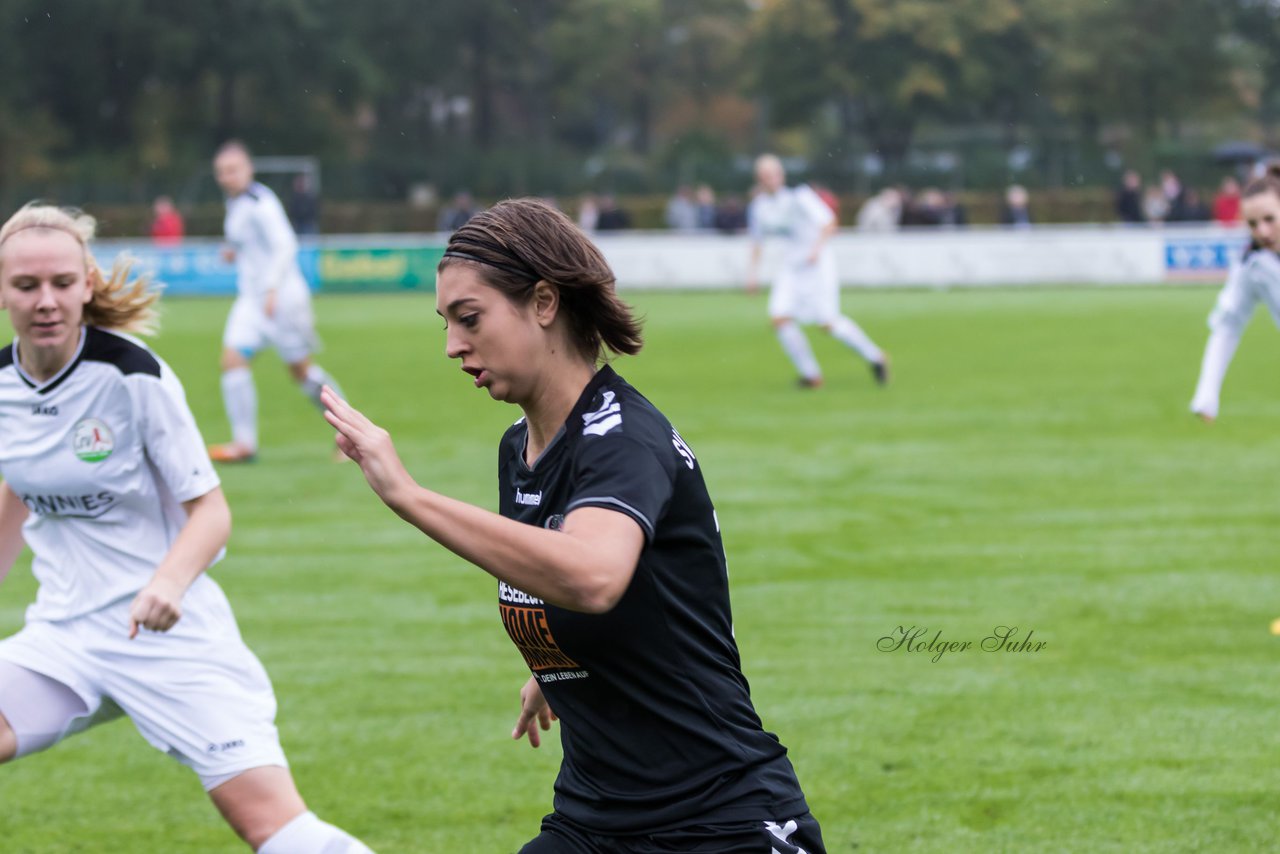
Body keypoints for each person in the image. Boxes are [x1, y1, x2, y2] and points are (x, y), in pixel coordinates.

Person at [321, 198, 825, 853]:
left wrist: (409, 495)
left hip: (719, 821)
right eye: (445, 323)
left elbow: (591, 577)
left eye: (469, 319)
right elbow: (570, 584)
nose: (452, 346)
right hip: (595, 822)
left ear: (544, 302)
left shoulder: (622, 440)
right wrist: (560, 665)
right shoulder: (519, 448)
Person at [0, 203, 372, 853]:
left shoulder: (132, 375)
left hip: (170, 636)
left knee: (280, 832)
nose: (46, 301)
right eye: (26, 286)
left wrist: (168, 584)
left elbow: (212, 511)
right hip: (63, 636)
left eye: (62, 282)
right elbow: (15, 492)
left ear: (87, 282)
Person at [207, 140, 348, 463]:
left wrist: (271, 287)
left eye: (232, 170)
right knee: (231, 361)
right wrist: (233, 252)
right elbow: (249, 244)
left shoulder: (261, 202)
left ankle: (350, 434)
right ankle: (244, 444)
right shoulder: (236, 204)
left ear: (248, 170)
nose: (226, 177)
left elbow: (285, 246)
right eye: (221, 172)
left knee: (301, 372)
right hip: (251, 301)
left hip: (281, 300)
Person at [746, 154, 888, 388]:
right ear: (759, 179)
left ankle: (876, 356)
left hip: (817, 264)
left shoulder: (800, 196)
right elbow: (756, 242)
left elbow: (829, 223)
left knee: (828, 323)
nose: (770, 180)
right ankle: (811, 375)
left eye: (773, 175)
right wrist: (752, 275)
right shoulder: (759, 207)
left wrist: (815, 249)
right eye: (765, 176)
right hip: (791, 267)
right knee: (779, 318)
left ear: (781, 176)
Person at [1189, 163, 1280, 422]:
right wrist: (1207, 393)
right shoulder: (1252, 264)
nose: (1262, 231)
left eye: (1269, 219)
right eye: (1253, 223)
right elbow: (1228, 325)